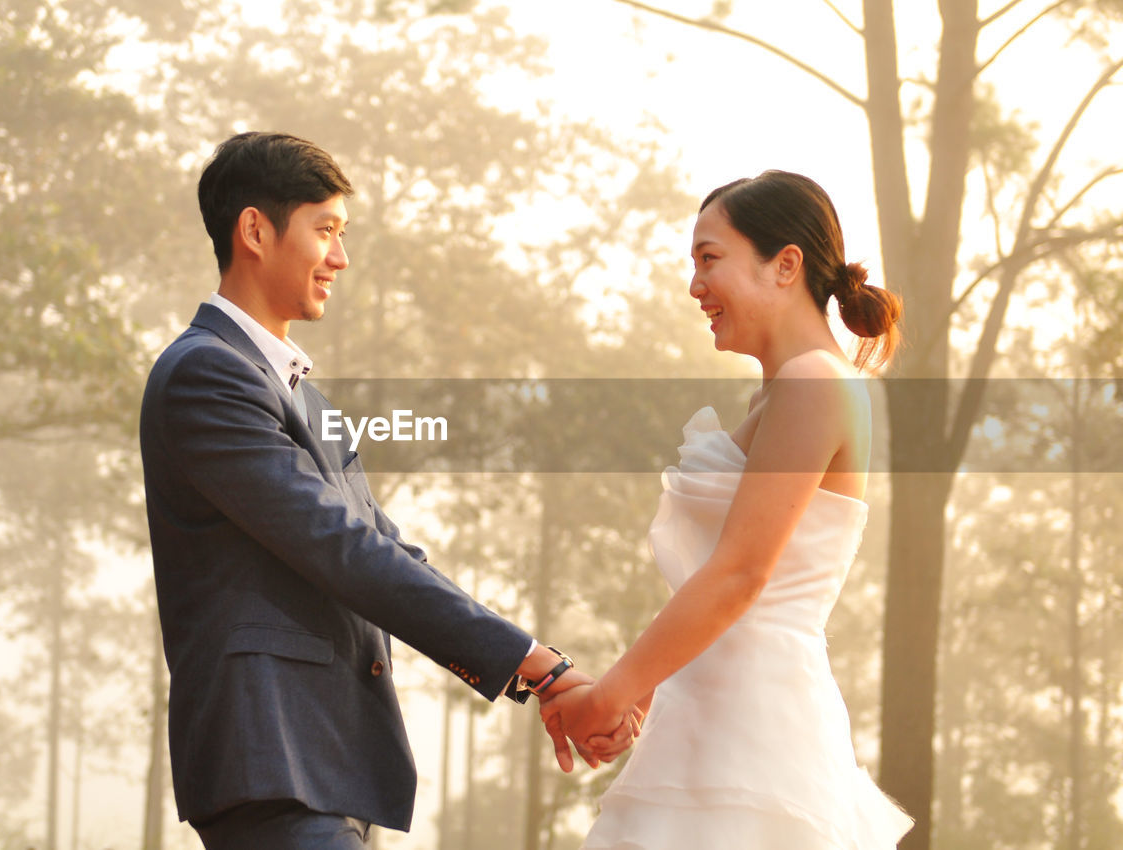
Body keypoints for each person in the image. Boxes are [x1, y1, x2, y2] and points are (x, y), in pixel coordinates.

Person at [139, 131, 633, 850]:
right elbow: (341, 550)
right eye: (326, 231)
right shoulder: (205, 375)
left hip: (325, 764)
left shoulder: (304, 398)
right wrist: (540, 665)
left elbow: (389, 548)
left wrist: (535, 672)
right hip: (270, 753)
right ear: (254, 230)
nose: (341, 258)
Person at [542, 171, 916, 848]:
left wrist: (615, 692)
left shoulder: (813, 382)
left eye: (709, 259)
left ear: (786, 265)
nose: (695, 287)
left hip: (757, 729)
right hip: (712, 717)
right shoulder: (781, 393)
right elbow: (719, 583)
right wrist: (645, 693)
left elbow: (742, 574)